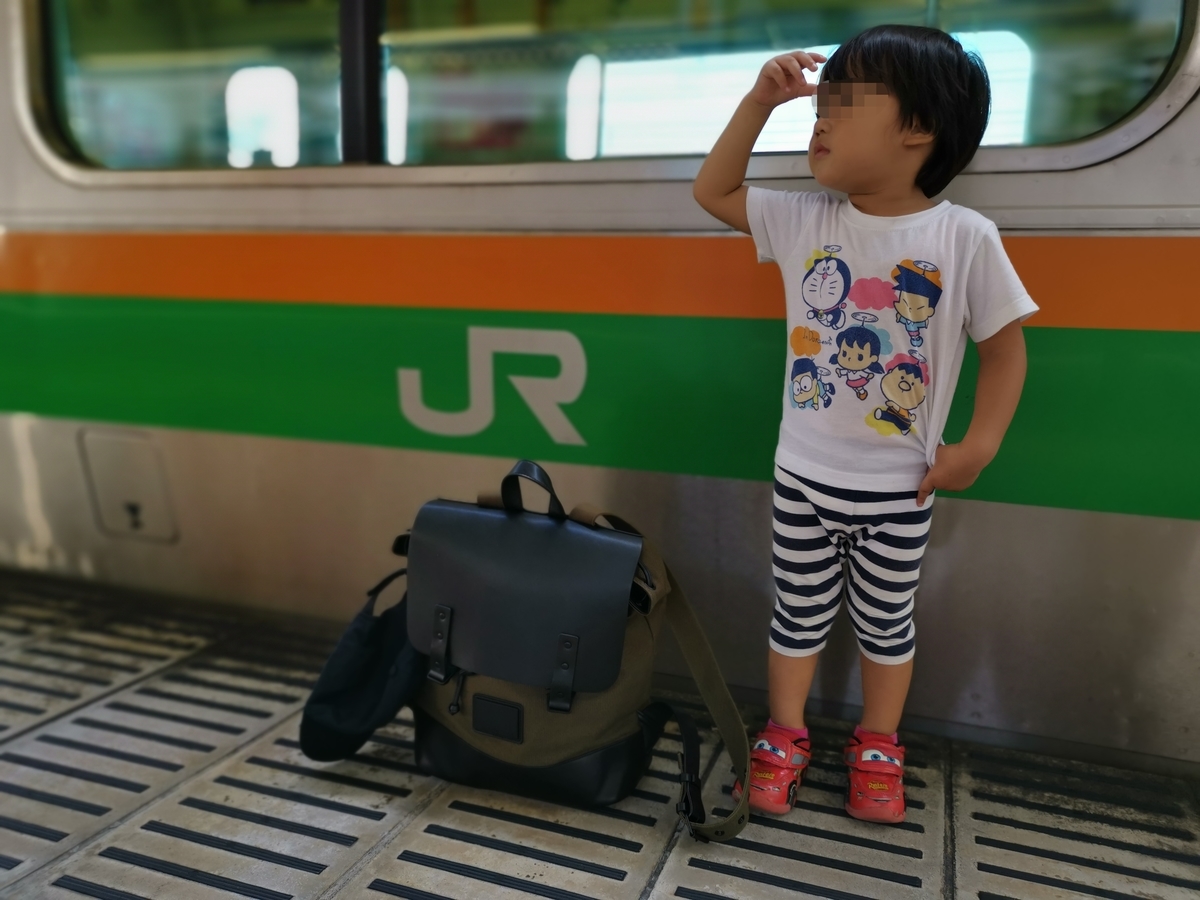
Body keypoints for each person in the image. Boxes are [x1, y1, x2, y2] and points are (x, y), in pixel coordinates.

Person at [693, 24, 1036, 823]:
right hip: (802, 477)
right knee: (796, 611)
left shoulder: (963, 237)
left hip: (899, 488)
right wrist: (758, 103)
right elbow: (713, 192)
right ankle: (784, 734)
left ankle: (878, 742)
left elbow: (1007, 352)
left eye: (847, 101)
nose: (821, 115)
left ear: (917, 128)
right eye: (824, 96)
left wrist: (977, 449)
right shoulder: (805, 219)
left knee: (888, 622)